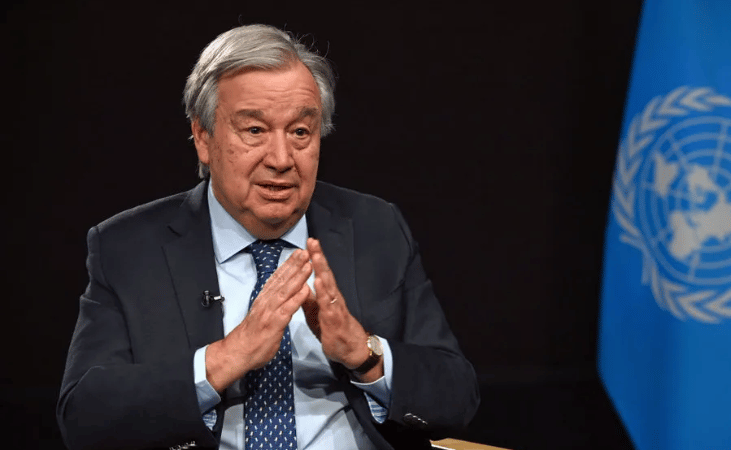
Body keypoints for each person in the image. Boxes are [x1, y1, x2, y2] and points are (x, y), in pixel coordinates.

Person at [57, 24, 479, 450]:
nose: (281, 159)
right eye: (255, 130)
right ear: (203, 137)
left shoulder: (375, 228)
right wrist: (227, 358)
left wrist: (364, 354)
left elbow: (458, 396)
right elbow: (85, 417)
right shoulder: (128, 248)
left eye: (300, 132)